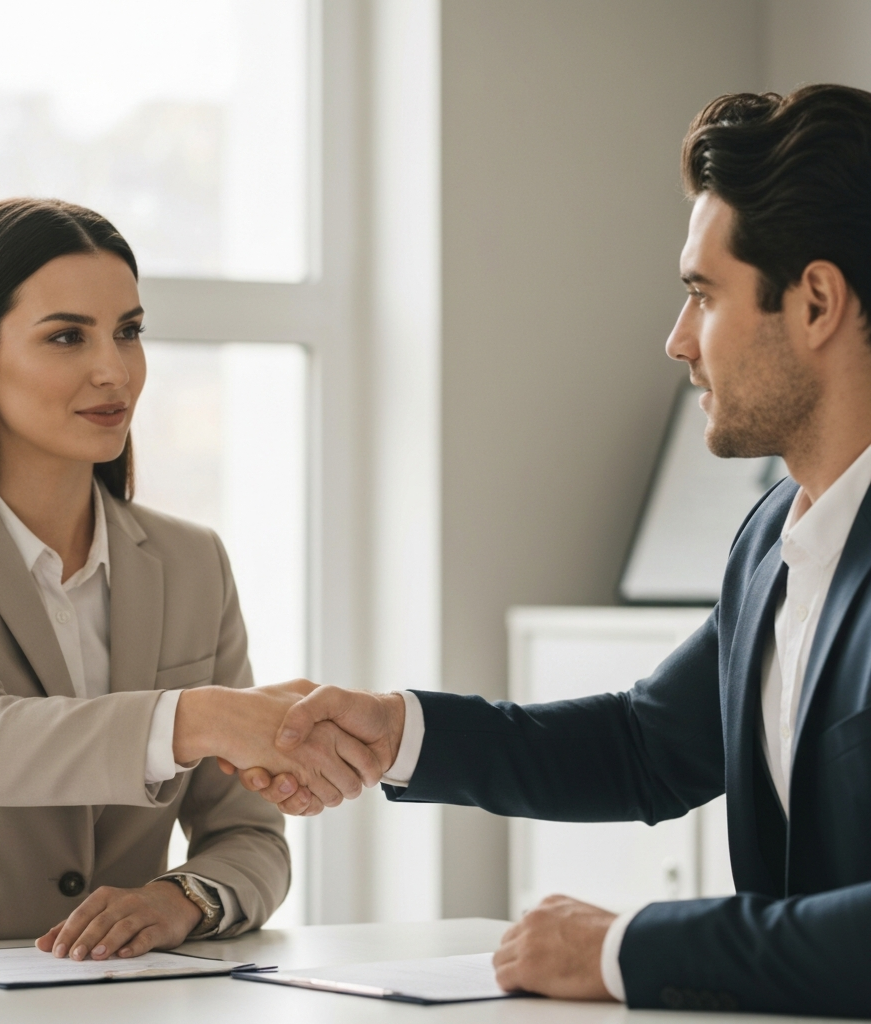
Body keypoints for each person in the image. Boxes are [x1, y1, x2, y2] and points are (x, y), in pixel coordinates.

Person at [233, 84, 871, 1017]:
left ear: (814, 302)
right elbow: (644, 747)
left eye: (702, 294)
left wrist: (619, 951)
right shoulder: (774, 539)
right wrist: (400, 732)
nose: (677, 340)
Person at [0, 198, 379, 956]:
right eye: (67, 336)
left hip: (122, 992)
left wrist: (181, 899)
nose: (114, 370)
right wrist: (202, 717)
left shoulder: (194, 563)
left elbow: (249, 836)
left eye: (128, 332)